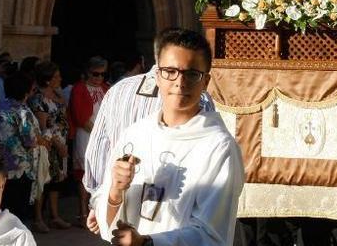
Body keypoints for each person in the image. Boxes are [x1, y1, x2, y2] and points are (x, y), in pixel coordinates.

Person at [96, 28, 244, 245]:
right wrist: (114, 194)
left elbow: (211, 234)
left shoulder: (218, 147)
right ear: (157, 76)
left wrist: (147, 242)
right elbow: (107, 225)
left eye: (192, 74)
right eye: (170, 71)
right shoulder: (136, 134)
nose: (180, 82)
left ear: (206, 81)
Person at [82, 36, 215, 232]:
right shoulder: (197, 97)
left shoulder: (118, 89)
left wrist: (98, 200)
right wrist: (103, 200)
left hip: (141, 208)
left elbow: (98, 150)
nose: (179, 83)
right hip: (168, 212)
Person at [0, 72, 46, 227]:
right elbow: (30, 140)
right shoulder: (23, 111)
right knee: (17, 213)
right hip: (19, 167)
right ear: (26, 92)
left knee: (2, 208)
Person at [27, 61, 71, 230]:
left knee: (56, 181)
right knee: (43, 180)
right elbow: (43, 126)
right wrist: (57, 144)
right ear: (47, 80)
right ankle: (38, 218)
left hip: (61, 142)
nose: (60, 79)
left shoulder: (57, 94)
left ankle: (55, 216)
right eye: (56, 77)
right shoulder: (38, 98)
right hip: (48, 144)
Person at [71, 56, 110, 224]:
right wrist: (98, 133)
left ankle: (99, 211)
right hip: (87, 135)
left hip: (104, 137)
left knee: (103, 173)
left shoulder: (106, 88)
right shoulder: (79, 89)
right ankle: (83, 212)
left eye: (102, 74)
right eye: (95, 74)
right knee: (84, 174)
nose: (99, 78)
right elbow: (80, 117)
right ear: (87, 73)